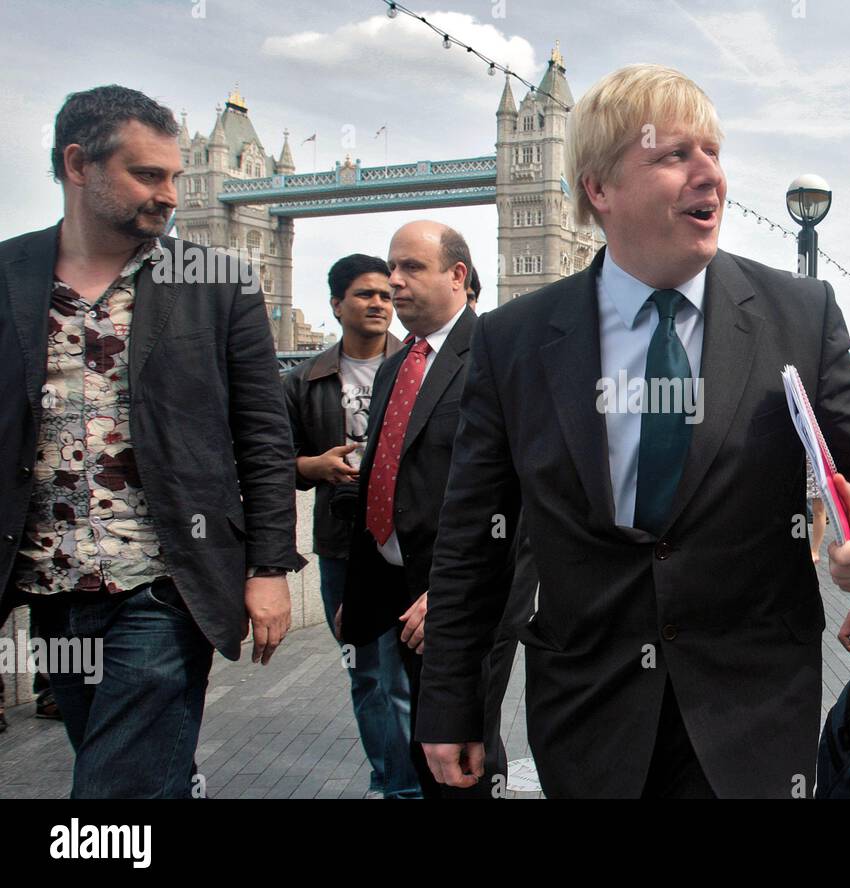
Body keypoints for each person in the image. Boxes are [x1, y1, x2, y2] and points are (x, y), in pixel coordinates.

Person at [418, 64, 850, 799]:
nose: (709, 174)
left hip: (753, 712)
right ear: (598, 188)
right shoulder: (513, 341)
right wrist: (453, 702)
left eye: (713, 152)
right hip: (589, 714)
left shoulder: (799, 314)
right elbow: (472, 542)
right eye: (674, 155)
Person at [0, 85, 301, 798]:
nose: (170, 195)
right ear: (78, 164)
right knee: (128, 768)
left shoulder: (218, 282)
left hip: (163, 586)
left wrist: (269, 568)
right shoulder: (10, 275)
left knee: (115, 791)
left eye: (175, 176)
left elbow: (262, 438)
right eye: (148, 175)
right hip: (51, 586)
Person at [338, 221, 512, 798]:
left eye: (411, 267)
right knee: (420, 748)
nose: (393, 282)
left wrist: (451, 595)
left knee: (461, 746)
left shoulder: (498, 355)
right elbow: (383, 480)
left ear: (457, 276)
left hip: (454, 595)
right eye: (392, 267)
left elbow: (521, 499)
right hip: (390, 585)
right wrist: (358, 593)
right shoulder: (397, 362)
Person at [282, 253, 418, 798]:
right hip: (343, 546)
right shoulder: (301, 380)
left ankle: (417, 786)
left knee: (411, 676)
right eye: (366, 295)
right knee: (367, 677)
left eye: (387, 295)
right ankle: (394, 783)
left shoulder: (421, 363)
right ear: (336, 304)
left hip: (410, 543)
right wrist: (313, 467)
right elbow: (270, 460)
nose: (380, 304)